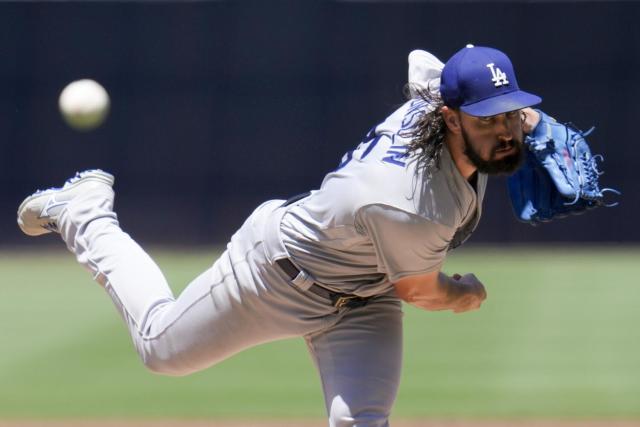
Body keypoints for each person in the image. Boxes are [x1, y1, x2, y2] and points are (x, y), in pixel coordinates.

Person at [17, 45, 542, 427]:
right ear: (449, 119)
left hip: (364, 294)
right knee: (161, 349)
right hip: (277, 275)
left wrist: (532, 120)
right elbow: (424, 291)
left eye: (509, 113)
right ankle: (86, 212)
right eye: (486, 120)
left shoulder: (436, 97)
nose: (505, 130)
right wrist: (465, 292)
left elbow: (425, 62)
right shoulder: (409, 203)